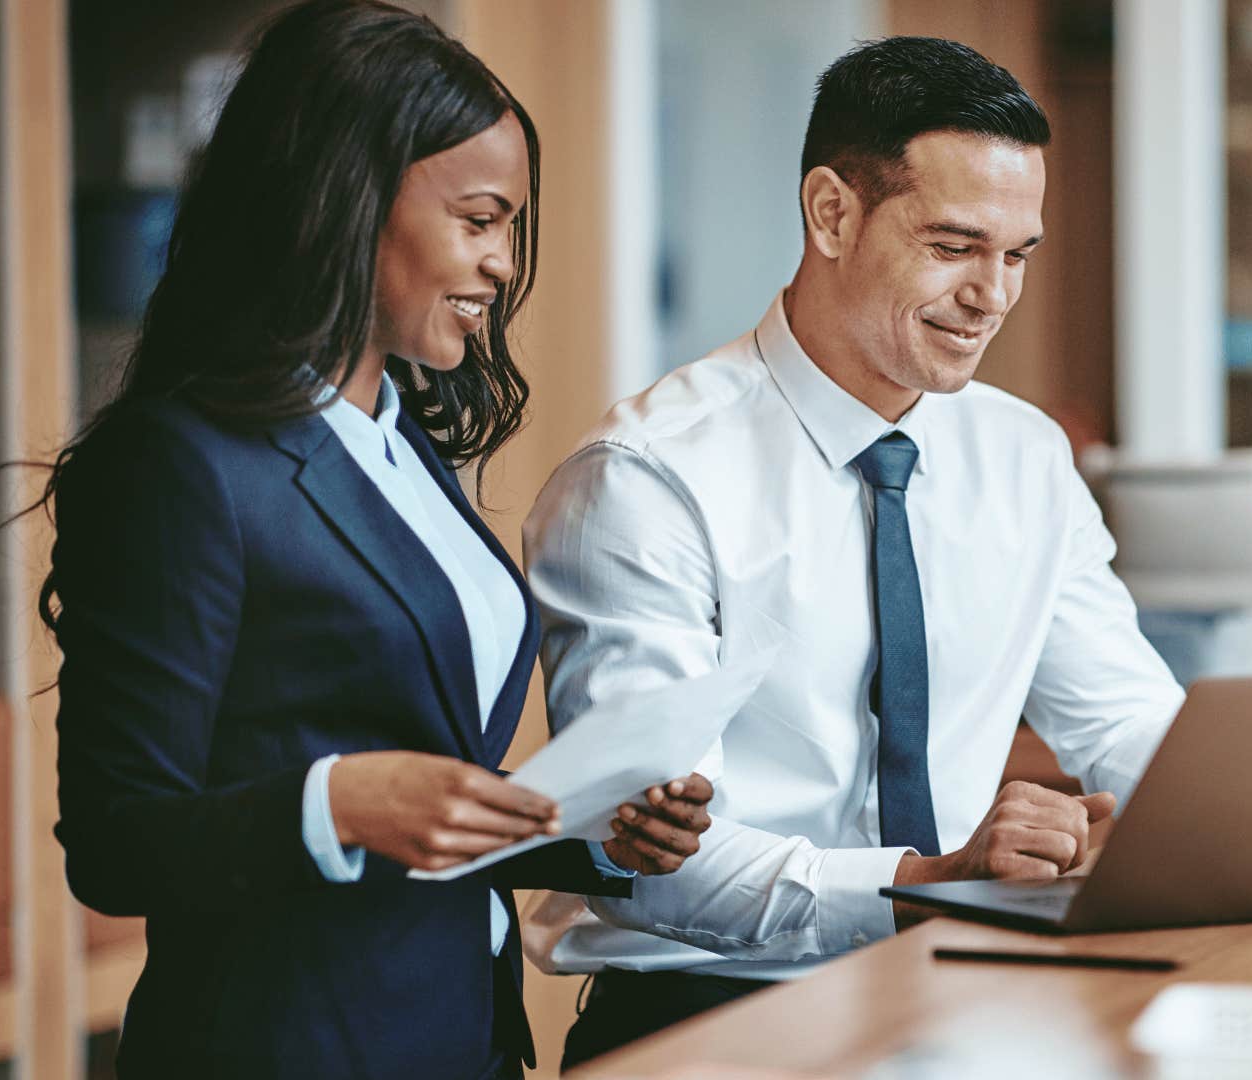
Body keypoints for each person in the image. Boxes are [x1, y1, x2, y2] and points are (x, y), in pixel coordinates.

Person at [40, 3, 710, 1076]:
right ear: (349, 202)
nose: (501, 265)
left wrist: (586, 829)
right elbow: (118, 841)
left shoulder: (400, 449)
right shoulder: (185, 464)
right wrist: (337, 802)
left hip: (466, 1039)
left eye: (511, 229)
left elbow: (423, 779)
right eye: (479, 219)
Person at [524, 36, 1186, 1065]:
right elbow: (653, 859)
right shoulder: (647, 479)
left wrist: (1245, 817)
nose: (993, 296)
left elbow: (1127, 721)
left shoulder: (1024, 458)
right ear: (832, 213)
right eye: (955, 245)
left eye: (1018, 255)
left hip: (965, 1006)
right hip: (708, 1027)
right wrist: (933, 881)